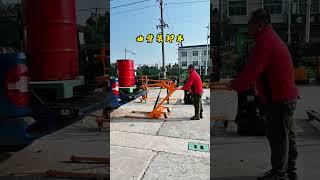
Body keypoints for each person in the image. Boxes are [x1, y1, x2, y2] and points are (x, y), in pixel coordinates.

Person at [227, 9, 299, 180]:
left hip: (279, 98)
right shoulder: (269, 38)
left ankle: (279, 173)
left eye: (250, 24)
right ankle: (290, 169)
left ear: (259, 25)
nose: (248, 27)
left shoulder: (265, 42)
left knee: (278, 136)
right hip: (285, 96)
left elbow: (252, 71)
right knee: (287, 134)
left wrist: (235, 84)